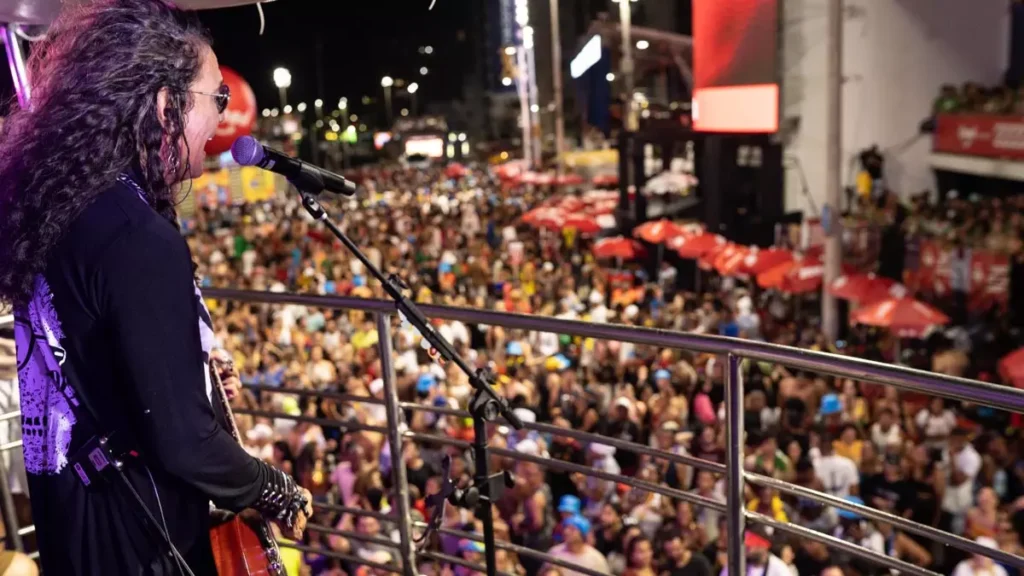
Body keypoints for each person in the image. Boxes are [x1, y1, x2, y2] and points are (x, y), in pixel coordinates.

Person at [0, 1, 312, 574]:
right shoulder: (136, 237)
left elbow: (107, 361)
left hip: (74, 512)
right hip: (138, 533)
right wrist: (274, 488)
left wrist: (194, 372)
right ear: (167, 104)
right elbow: (183, 441)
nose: (222, 118)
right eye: (215, 98)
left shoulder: (71, 205)